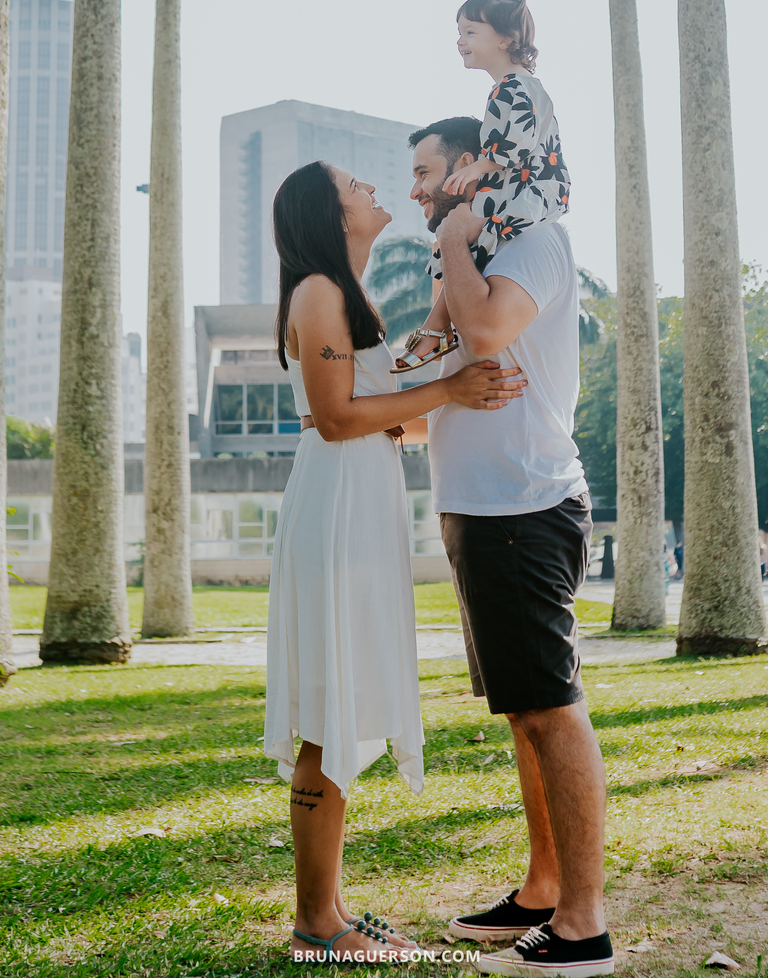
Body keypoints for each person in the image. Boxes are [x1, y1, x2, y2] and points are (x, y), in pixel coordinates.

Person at [263, 160, 526, 964]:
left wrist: (452, 353)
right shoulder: (318, 291)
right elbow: (342, 419)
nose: (372, 190)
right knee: (327, 709)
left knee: (341, 702)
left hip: (360, 506)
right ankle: (316, 921)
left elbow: (390, 399)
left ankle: (331, 905)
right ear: (327, 211)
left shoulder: (348, 296)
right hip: (336, 511)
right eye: (353, 184)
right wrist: (448, 392)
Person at [404, 115, 614, 978]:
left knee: (550, 709)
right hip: (474, 510)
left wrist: (457, 236)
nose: (415, 188)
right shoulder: (466, 257)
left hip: (525, 507)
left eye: (426, 173)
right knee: (523, 713)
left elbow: (485, 335)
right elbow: (427, 366)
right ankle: (541, 892)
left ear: (467, 172)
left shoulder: (532, 244)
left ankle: (584, 925)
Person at [397, 0, 569, 373]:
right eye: (460, 33)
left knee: (459, 238)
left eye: (471, 32)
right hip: (530, 186)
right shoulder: (519, 85)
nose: (461, 41)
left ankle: (432, 331)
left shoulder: (510, 87)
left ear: (505, 39)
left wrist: (479, 168)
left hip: (523, 188)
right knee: (464, 241)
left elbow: (519, 139)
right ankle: (433, 330)